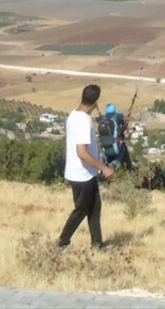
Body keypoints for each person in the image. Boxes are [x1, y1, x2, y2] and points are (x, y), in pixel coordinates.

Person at [57, 84, 114, 249]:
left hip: (84, 173)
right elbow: (81, 152)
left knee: (95, 208)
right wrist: (103, 167)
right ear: (96, 102)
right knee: (80, 210)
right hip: (82, 175)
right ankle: (62, 243)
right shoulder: (83, 121)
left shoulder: (73, 115)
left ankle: (97, 245)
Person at [98, 103, 134, 170]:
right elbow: (125, 119)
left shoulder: (103, 118)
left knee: (107, 153)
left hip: (105, 146)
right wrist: (136, 118)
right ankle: (114, 163)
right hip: (115, 145)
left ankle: (102, 162)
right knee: (122, 149)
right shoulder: (117, 116)